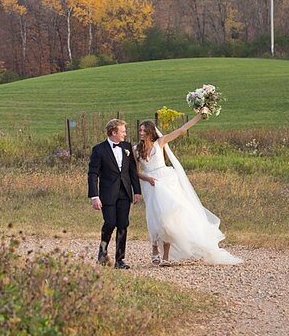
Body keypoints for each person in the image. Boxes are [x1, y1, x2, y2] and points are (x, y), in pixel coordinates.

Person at [137, 110, 243, 266]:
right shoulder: (136, 149)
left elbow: (181, 130)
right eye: (140, 130)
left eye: (144, 130)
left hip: (166, 181)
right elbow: (135, 172)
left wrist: (199, 115)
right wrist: (148, 179)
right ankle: (154, 249)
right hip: (150, 184)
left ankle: (166, 257)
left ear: (150, 132)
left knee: (168, 217)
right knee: (154, 217)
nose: (141, 133)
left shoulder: (160, 143)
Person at [88, 119, 142, 269]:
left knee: (123, 225)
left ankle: (119, 260)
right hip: (107, 194)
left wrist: (136, 190)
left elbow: (132, 170)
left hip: (125, 192)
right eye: (123, 131)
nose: (125, 133)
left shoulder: (127, 147)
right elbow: (93, 174)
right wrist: (94, 196)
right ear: (113, 132)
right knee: (110, 223)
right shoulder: (98, 150)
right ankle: (103, 252)